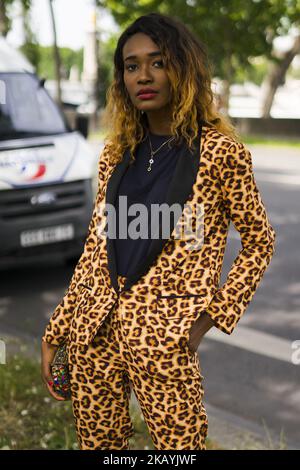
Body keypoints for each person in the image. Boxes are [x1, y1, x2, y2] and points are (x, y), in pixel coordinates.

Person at [41, 12, 276, 450]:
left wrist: (206, 319)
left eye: (158, 62)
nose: (143, 76)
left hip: (164, 339)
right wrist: (59, 329)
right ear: (122, 78)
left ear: (181, 69)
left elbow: (260, 241)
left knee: (181, 450)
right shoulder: (116, 152)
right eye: (131, 66)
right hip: (95, 332)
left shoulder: (220, 153)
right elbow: (96, 249)